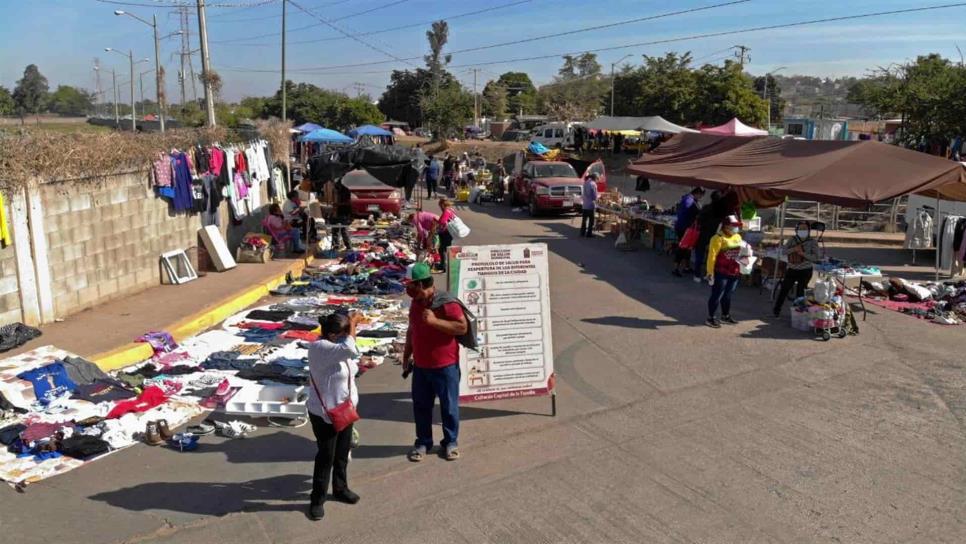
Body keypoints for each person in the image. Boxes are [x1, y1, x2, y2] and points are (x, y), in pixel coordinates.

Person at [305, 311, 375, 521]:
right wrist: (352, 323)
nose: (350, 336)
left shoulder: (337, 350)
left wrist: (362, 365)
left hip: (345, 410)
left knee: (342, 454)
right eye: (346, 333)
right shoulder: (320, 348)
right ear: (335, 335)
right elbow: (348, 348)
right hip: (325, 414)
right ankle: (317, 500)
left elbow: (350, 362)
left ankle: (340, 488)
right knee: (326, 457)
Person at [402, 262, 468, 463]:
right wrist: (406, 356)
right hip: (421, 367)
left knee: (449, 407)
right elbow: (412, 330)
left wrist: (434, 322)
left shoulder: (446, 303)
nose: (407, 289)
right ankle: (423, 442)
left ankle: (450, 442)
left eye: (410, 285)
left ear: (420, 284)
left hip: (445, 366)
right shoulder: (416, 303)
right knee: (421, 406)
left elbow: (461, 327)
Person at [773, 221, 822, 317]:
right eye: (800, 229)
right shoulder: (792, 239)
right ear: (797, 230)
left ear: (808, 230)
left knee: (800, 293)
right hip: (792, 269)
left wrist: (803, 254)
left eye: (805, 229)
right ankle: (777, 310)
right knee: (784, 289)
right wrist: (794, 249)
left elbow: (816, 257)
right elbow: (784, 251)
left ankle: (798, 313)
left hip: (805, 270)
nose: (802, 231)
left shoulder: (812, 242)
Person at [705, 215, 744, 328]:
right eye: (732, 226)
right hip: (721, 271)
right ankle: (710, 318)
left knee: (728, 295)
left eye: (736, 226)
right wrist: (710, 272)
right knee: (717, 295)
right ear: (725, 226)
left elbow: (742, 252)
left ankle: (725, 316)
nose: (735, 228)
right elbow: (712, 257)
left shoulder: (737, 237)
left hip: (734, 271)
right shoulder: (717, 238)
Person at [693, 190, 727, 283]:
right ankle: (708, 275)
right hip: (715, 236)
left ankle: (697, 275)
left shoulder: (706, 208)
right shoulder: (722, 212)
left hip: (703, 235)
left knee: (699, 255)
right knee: (711, 257)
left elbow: (698, 220)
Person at [672, 187, 705, 277]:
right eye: (701, 195)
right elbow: (689, 211)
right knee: (683, 248)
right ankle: (675, 268)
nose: (701, 197)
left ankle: (686, 267)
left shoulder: (688, 199)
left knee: (687, 248)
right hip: (684, 228)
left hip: (685, 227)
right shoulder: (689, 200)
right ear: (698, 193)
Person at [330, 178, 352, 251]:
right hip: (337, 212)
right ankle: (336, 246)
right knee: (335, 229)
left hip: (344, 212)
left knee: (344, 230)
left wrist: (338, 204)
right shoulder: (336, 190)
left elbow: (349, 202)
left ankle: (348, 246)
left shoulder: (346, 191)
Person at [436, 198, 457, 272]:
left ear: (442, 205)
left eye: (440, 206)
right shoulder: (451, 210)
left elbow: (442, 222)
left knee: (442, 249)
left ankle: (443, 266)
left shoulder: (446, 211)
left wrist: (437, 226)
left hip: (446, 233)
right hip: (450, 232)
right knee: (446, 248)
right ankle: (447, 265)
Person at [580, 172, 600, 238]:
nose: (598, 180)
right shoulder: (593, 184)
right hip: (590, 205)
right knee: (591, 221)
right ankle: (589, 234)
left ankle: (582, 233)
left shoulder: (586, 182)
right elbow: (594, 195)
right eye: (598, 179)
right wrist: (597, 198)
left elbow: (584, 192)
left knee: (584, 220)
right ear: (595, 178)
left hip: (585, 204)